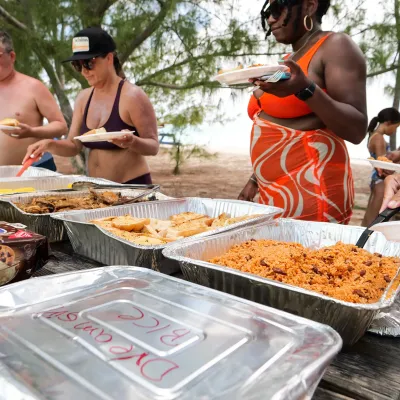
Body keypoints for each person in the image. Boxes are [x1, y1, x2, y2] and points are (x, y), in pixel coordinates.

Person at [238, 0, 367, 224]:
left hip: (313, 190)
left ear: (309, 6)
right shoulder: (289, 62)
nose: (270, 19)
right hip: (275, 191)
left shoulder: (336, 45)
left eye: (278, 10)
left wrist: (306, 89)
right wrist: (254, 181)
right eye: (268, 12)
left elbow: (356, 129)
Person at [24, 27, 159, 183]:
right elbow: (74, 145)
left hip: (132, 187)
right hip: (98, 190)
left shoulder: (132, 96)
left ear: (109, 58)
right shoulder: (83, 97)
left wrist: (132, 142)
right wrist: (49, 144)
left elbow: (153, 146)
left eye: (89, 63)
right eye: (77, 65)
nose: (83, 71)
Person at [0, 31, 67, 169]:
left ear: (11, 56)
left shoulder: (33, 87)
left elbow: (61, 126)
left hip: (30, 172)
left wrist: (31, 131)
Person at [362, 108, 400, 226]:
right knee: (375, 217)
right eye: (396, 127)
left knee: (369, 214)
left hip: (375, 178)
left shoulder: (374, 135)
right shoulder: (379, 138)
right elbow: (382, 165)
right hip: (381, 181)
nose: (395, 131)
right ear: (388, 123)